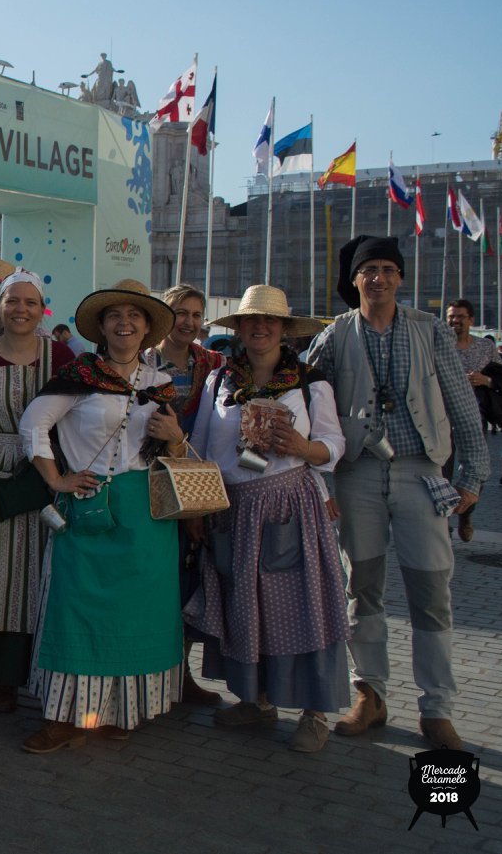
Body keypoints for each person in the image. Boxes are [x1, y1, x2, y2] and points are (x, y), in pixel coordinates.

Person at [305, 236, 487, 751]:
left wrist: (471, 477)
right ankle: (371, 693)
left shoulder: (430, 330)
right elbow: (308, 404)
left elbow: (462, 404)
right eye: (370, 270)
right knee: (360, 588)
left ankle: (437, 709)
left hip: (420, 472)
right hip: (358, 475)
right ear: (355, 280)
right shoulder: (334, 335)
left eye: (388, 269)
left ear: (401, 278)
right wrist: (317, 480)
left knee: (431, 591)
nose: (379, 278)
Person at [17, 278, 187, 753]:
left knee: (133, 616)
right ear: (103, 327)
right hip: (91, 507)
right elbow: (33, 424)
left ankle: (115, 712)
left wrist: (175, 436)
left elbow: (168, 451)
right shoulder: (80, 375)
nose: (124, 323)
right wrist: (56, 479)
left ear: (147, 328)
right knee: (76, 608)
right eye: (115, 315)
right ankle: (63, 718)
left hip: (147, 516)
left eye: (134, 316)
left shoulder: (157, 383)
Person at [184, 286, 349, 753]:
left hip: (288, 505)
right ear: (238, 328)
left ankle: (315, 712)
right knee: (245, 606)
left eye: (270, 321)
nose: (260, 328)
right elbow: (202, 446)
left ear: (284, 330)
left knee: (301, 605)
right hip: (233, 509)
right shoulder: (220, 381)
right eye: (251, 320)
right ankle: (256, 700)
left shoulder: (309, 382)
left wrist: (304, 447)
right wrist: (199, 508)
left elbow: (334, 445)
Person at [0, 271, 74, 713]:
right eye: (12, 301)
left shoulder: (61, 356)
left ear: (41, 309)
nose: (21, 309)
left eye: (30, 302)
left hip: (44, 470)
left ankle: (34, 667)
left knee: (38, 569)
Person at [142, 284, 225, 707]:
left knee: (188, 576)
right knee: (153, 577)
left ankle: (180, 672)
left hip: (192, 479)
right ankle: (148, 670)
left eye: (196, 314)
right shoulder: (142, 359)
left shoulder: (213, 364)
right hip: (145, 478)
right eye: (180, 312)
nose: (189, 322)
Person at [444, 299, 500, 541]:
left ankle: (467, 512)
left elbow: (501, 377)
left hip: (475, 418)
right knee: (440, 472)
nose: (455, 321)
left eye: (460, 316)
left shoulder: (485, 347)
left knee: (475, 469)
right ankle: (442, 521)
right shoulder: (438, 344)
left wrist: (485, 380)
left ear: (471, 320)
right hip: (441, 417)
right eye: (451, 316)